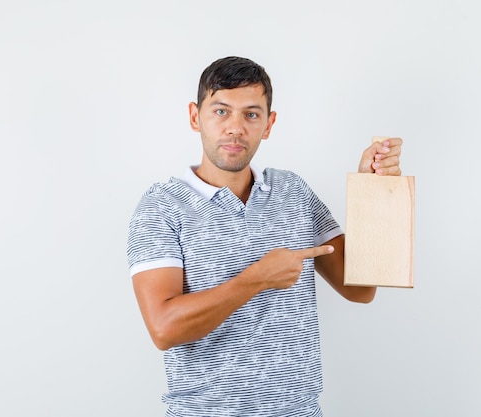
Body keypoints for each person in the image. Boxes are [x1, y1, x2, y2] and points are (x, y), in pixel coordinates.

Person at [126, 56, 403, 417]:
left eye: (251, 114)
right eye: (221, 111)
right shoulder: (161, 207)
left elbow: (360, 290)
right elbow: (164, 329)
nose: (236, 128)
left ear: (269, 124)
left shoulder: (293, 192)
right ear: (196, 117)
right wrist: (257, 279)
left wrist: (373, 192)